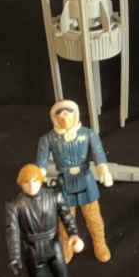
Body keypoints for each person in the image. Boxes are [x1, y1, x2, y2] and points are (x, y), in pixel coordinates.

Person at [5, 163, 98, 277]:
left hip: (53, 247)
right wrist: (14, 256)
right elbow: (12, 232)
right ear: (21, 184)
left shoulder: (54, 195)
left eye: (34, 181)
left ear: (41, 181)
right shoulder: (15, 206)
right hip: (32, 251)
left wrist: (74, 235)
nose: (31, 186)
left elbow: (67, 217)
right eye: (26, 182)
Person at [35, 99, 113, 262]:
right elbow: (41, 162)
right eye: (60, 116)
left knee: (93, 217)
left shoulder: (88, 134)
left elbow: (98, 153)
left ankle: (100, 243)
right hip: (65, 182)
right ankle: (66, 246)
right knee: (65, 219)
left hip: (86, 180)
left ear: (75, 114)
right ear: (54, 118)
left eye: (68, 114)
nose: (65, 119)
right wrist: (39, 175)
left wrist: (103, 169)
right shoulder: (48, 139)